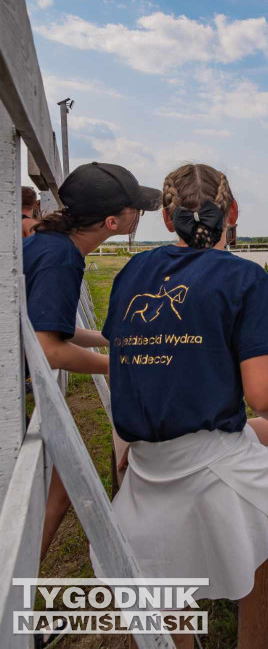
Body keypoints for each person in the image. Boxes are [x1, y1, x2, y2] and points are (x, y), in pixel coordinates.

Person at [96, 163, 268, 648]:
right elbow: (265, 395)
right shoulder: (242, 278)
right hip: (211, 472)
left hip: (151, 468)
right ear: (233, 213)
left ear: (167, 221)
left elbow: (132, 369)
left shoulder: (131, 274)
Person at [24, 162, 160, 558]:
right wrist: (117, 364)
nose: (139, 215)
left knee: (59, 486)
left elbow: (50, 325)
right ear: (113, 221)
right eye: (135, 208)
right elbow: (49, 348)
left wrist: (110, 340)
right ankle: (14, 595)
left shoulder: (52, 243)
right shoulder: (61, 258)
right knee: (56, 491)